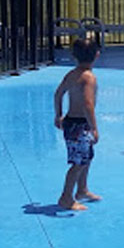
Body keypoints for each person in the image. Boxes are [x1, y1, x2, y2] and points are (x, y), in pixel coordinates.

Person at [53, 38, 101, 211]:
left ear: (74, 56)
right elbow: (88, 104)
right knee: (78, 162)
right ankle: (66, 197)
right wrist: (94, 128)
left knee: (86, 156)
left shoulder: (72, 74)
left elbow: (58, 94)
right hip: (81, 125)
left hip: (71, 122)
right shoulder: (89, 78)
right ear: (97, 54)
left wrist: (58, 115)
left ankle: (82, 190)